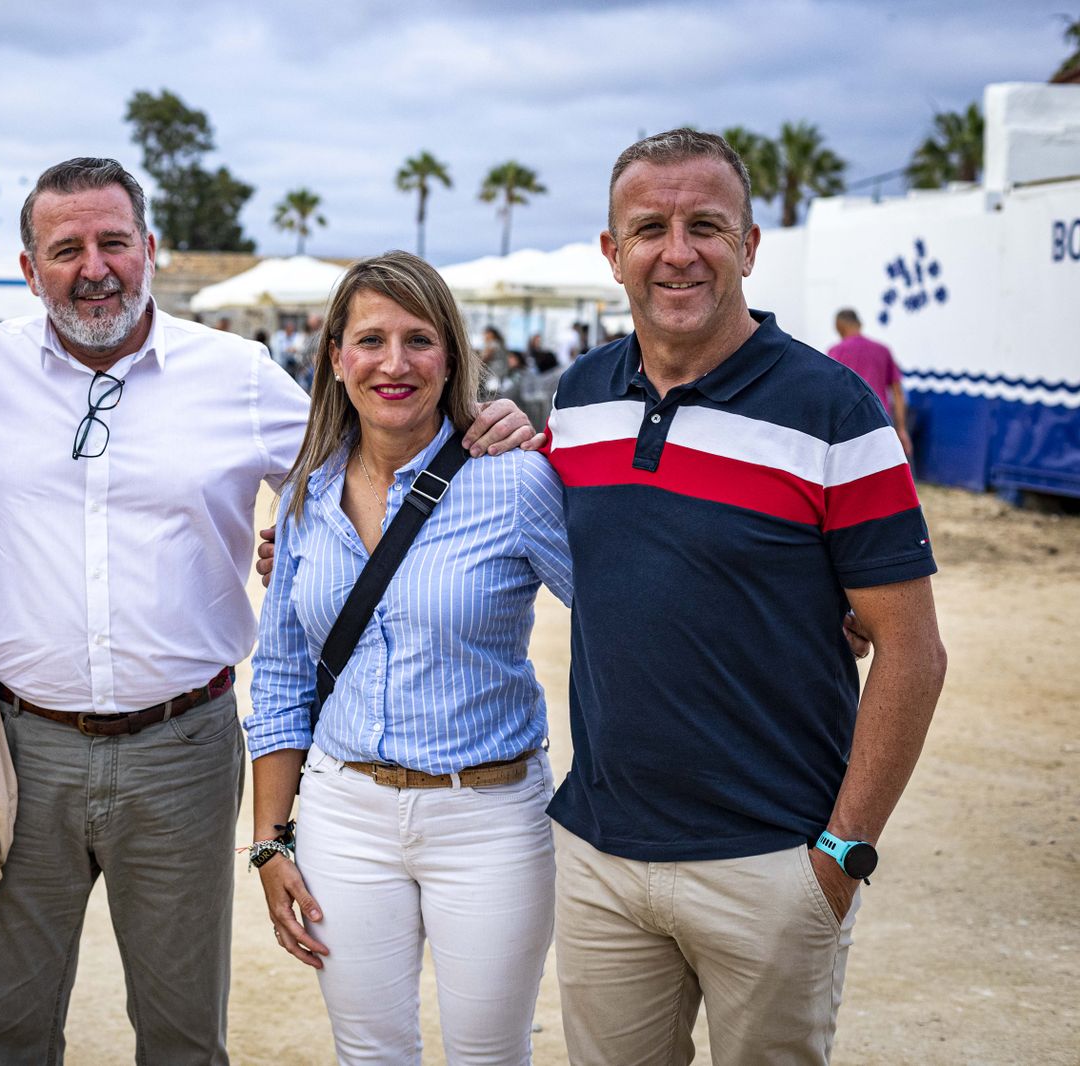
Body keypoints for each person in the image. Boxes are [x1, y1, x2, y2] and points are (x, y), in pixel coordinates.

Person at [0, 157, 533, 1065]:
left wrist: (482, 420)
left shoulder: (237, 374)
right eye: (65, 248)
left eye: (114, 241)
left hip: (185, 751)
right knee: (10, 1030)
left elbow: (369, 444)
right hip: (20, 750)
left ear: (149, 250)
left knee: (185, 1035)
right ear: (29, 270)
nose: (94, 265)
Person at [544, 129, 947, 1065]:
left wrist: (841, 857)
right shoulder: (581, 397)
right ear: (612, 253)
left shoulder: (836, 410)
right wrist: (321, 537)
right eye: (648, 227)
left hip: (772, 863)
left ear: (751, 245)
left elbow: (912, 648)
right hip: (602, 854)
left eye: (706, 226)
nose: (676, 250)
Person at [244, 251, 574, 1064]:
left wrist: (809, 615)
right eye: (371, 340)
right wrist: (270, 841)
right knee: (369, 1053)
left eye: (419, 340)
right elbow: (283, 679)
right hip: (343, 813)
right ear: (335, 357)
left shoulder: (517, 483)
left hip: (489, 815)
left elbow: (624, 612)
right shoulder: (303, 499)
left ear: (452, 357)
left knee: (489, 1055)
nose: (394, 364)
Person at [828, 307, 911, 458]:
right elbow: (898, 393)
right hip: (880, 420)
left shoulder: (836, 351)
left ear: (839, 326)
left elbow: (829, 393)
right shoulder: (883, 350)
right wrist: (902, 429)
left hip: (848, 423)